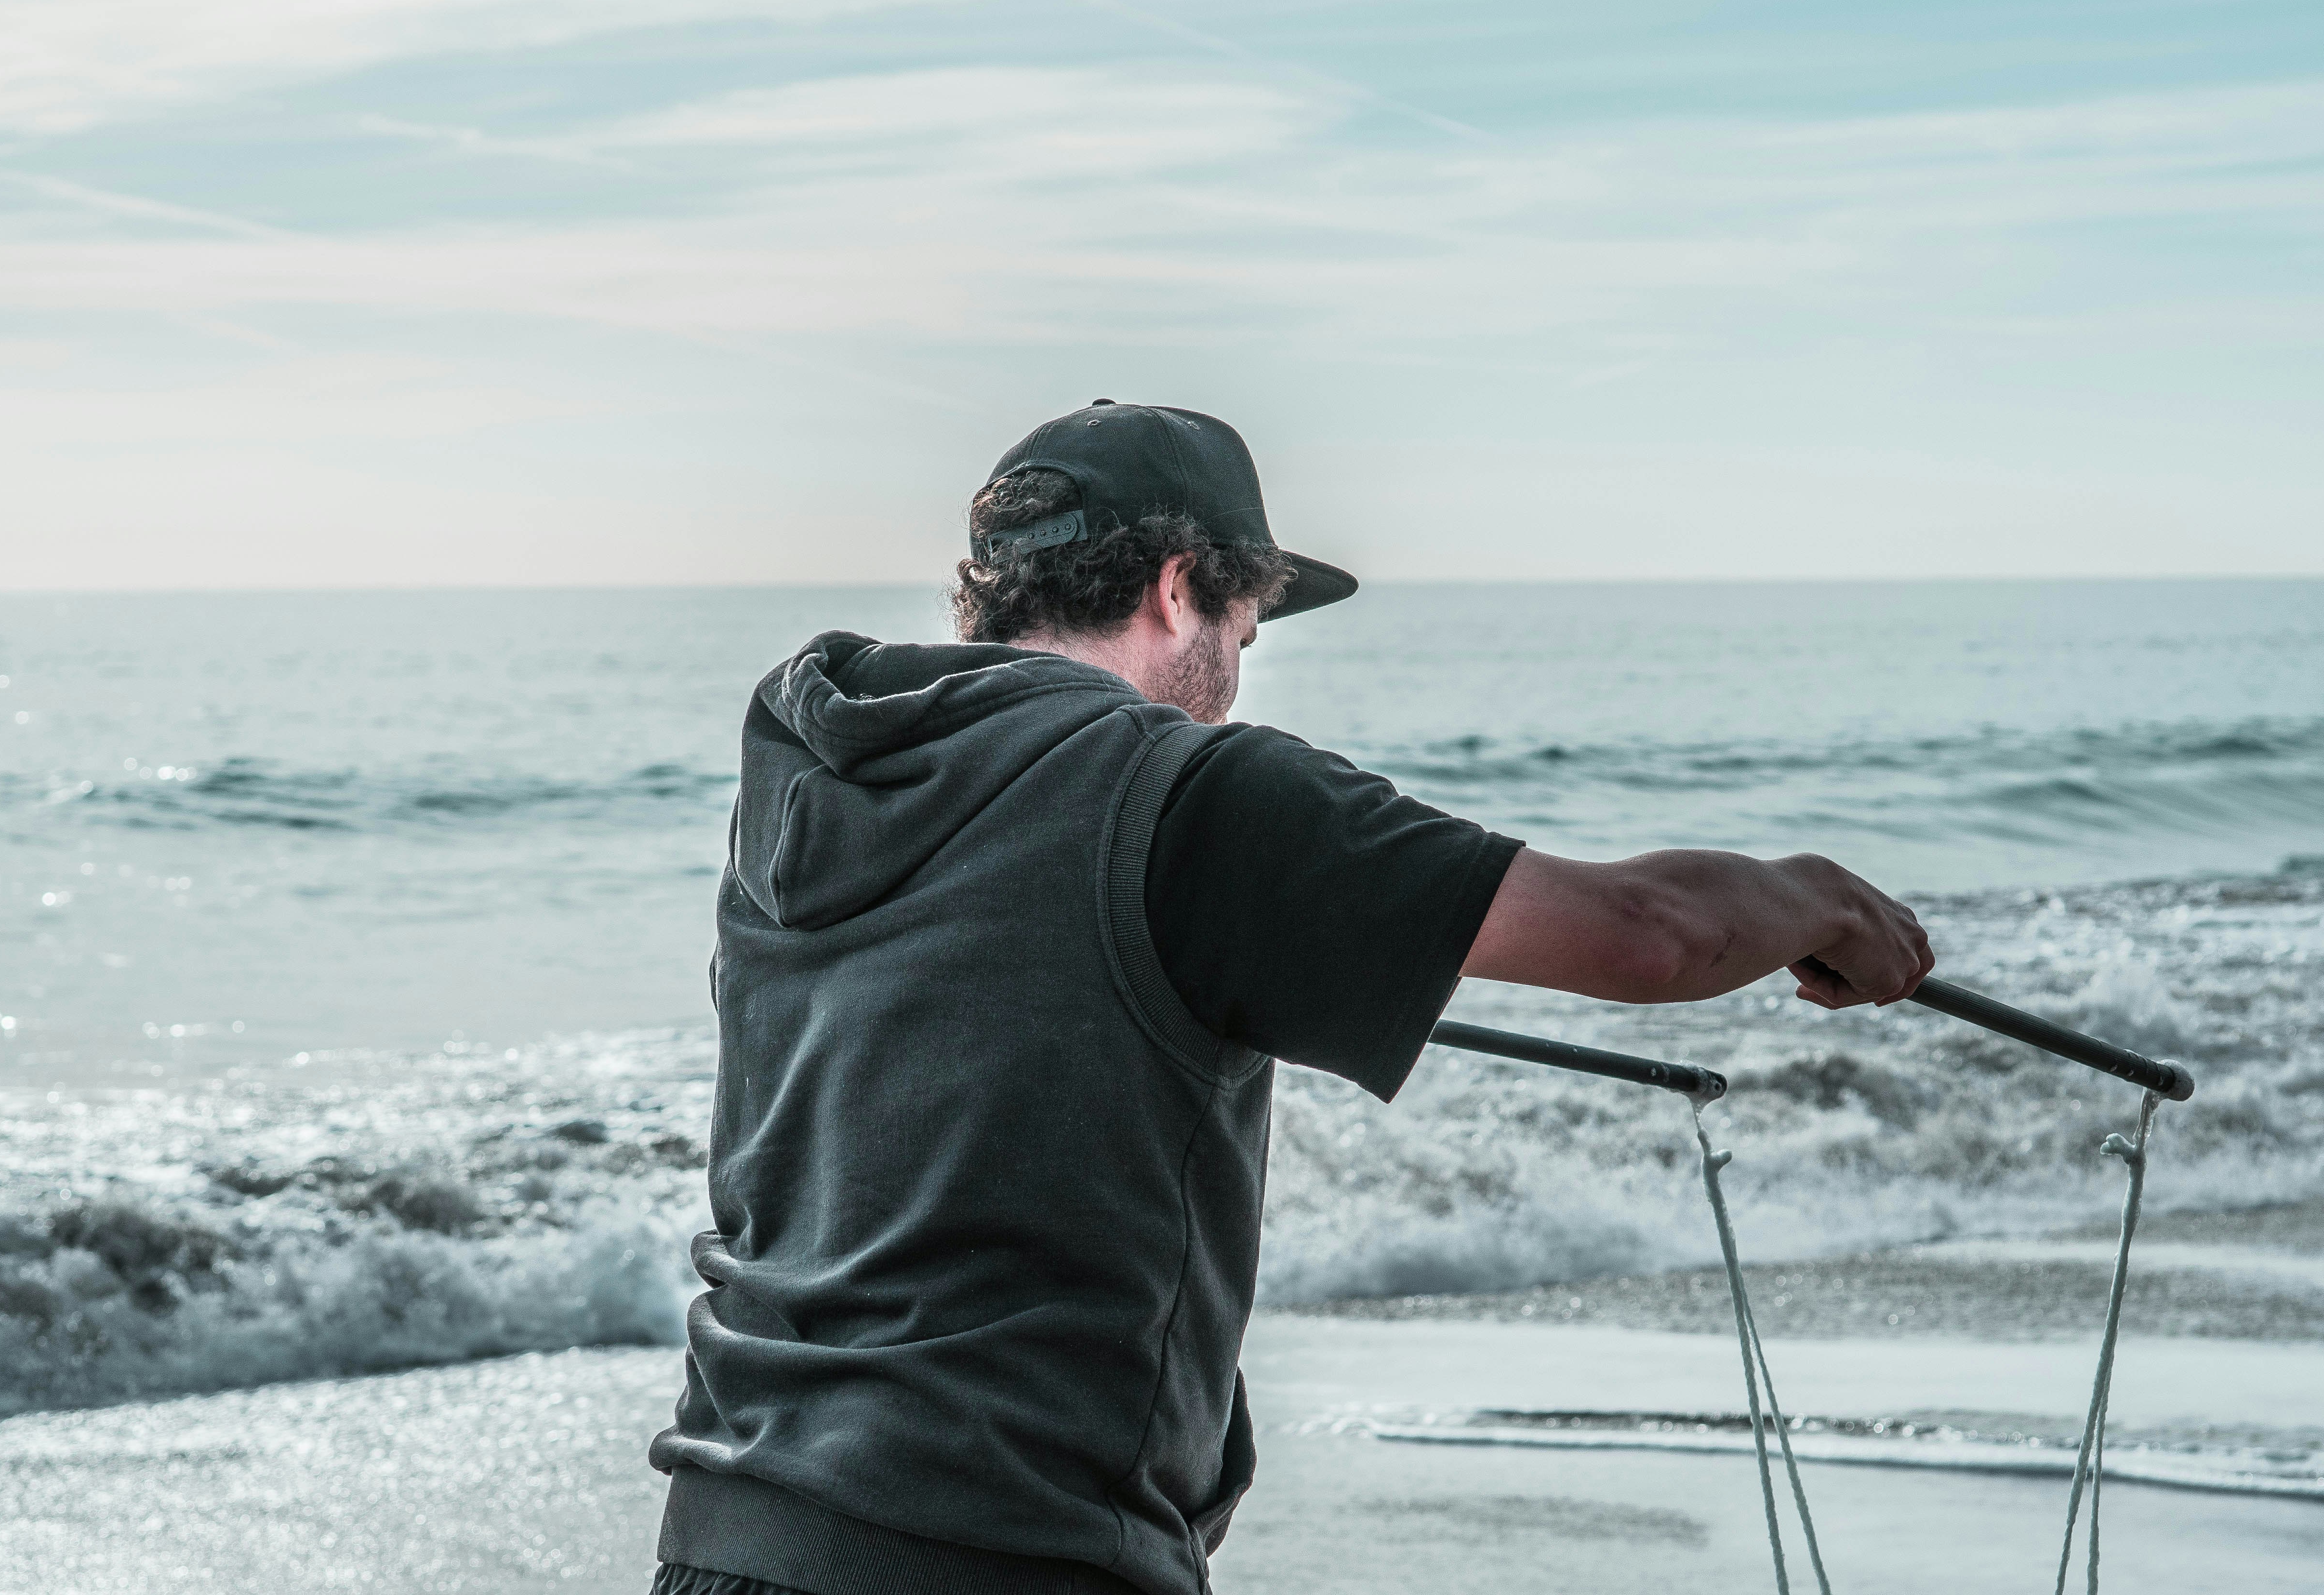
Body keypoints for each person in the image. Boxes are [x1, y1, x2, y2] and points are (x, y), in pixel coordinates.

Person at [646, 400, 1933, 1595]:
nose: (1238, 671)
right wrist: (1818, 897)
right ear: (1176, 588)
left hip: (724, 1536)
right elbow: (1652, 936)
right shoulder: (1190, 793)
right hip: (1004, 1548)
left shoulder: (809, 781)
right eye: (1245, 630)